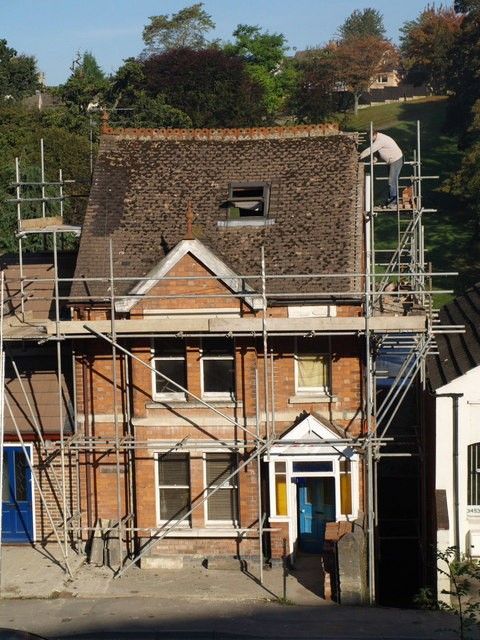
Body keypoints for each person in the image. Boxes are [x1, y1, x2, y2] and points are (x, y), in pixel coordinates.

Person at [359, 131, 403, 207]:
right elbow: (377, 150)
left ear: (374, 135)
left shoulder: (381, 139)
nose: (370, 139)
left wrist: (360, 156)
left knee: (392, 182)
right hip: (392, 161)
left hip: (396, 160)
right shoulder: (378, 139)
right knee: (391, 181)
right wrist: (375, 159)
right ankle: (390, 201)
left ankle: (393, 202)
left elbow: (371, 149)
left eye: (370, 137)